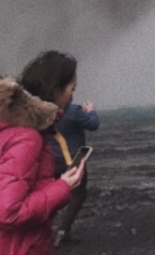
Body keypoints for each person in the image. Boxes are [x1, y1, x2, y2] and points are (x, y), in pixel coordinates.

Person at [0, 68, 84, 255]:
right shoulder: (27, 138)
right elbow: (8, 212)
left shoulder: (9, 131)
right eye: (72, 88)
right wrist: (63, 187)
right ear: (55, 92)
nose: (71, 97)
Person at [51, 85, 99, 245]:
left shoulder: (44, 111)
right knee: (79, 194)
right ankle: (63, 231)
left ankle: (46, 229)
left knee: (53, 194)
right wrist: (90, 110)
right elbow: (93, 124)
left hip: (52, 161)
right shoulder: (73, 111)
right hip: (75, 159)